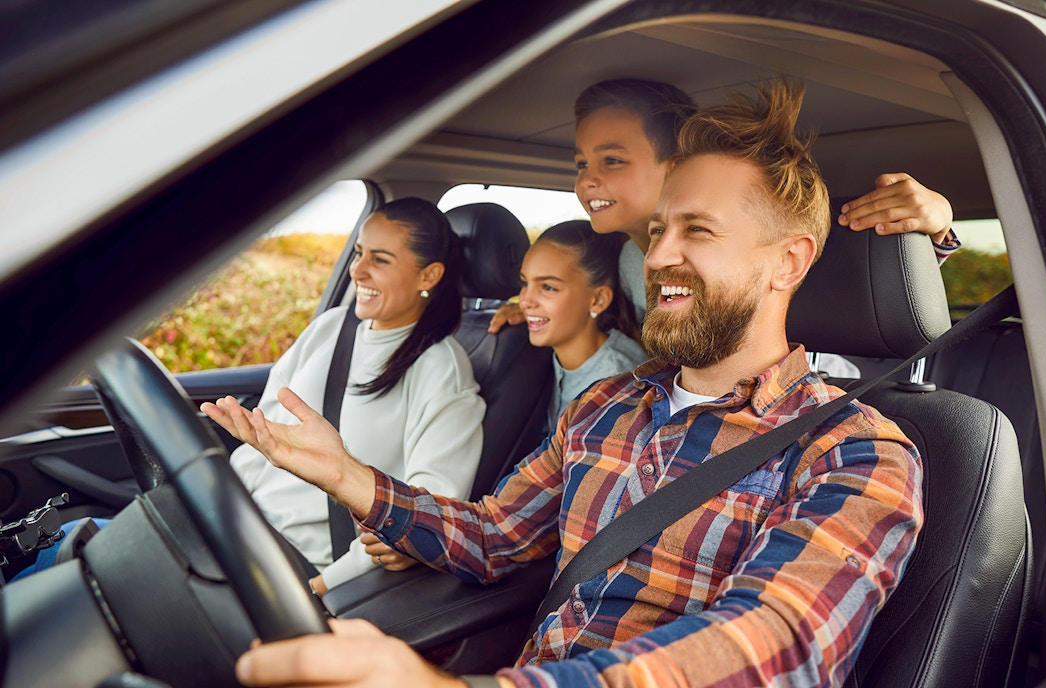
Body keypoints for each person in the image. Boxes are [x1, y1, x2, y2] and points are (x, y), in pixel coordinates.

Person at [204, 79, 922, 687]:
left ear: (788, 263)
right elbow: (494, 537)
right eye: (659, 230)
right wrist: (348, 475)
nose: (661, 254)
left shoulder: (857, 455)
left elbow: (774, 644)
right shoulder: (607, 406)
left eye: (697, 232)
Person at [488, 78, 960, 378]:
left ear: (675, 167)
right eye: (581, 163)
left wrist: (936, 232)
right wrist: (536, 307)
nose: (588, 178)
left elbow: (841, 281)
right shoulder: (619, 258)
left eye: (612, 160)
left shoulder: (760, 249)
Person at [229, 196, 485, 592]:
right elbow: (260, 432)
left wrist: (320, 587)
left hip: (295, 567)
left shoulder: (440, 369)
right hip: (239, 531)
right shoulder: (330, 328)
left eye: (380, 260)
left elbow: (423, 515)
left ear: (428, 276)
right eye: (359, 253)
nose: (357, 270)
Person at [518, 220, 647, 427]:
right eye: (525, 283)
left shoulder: (617, 386)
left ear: (598, 300)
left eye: (548, 287)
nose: (525, 301)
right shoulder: (558, 352)